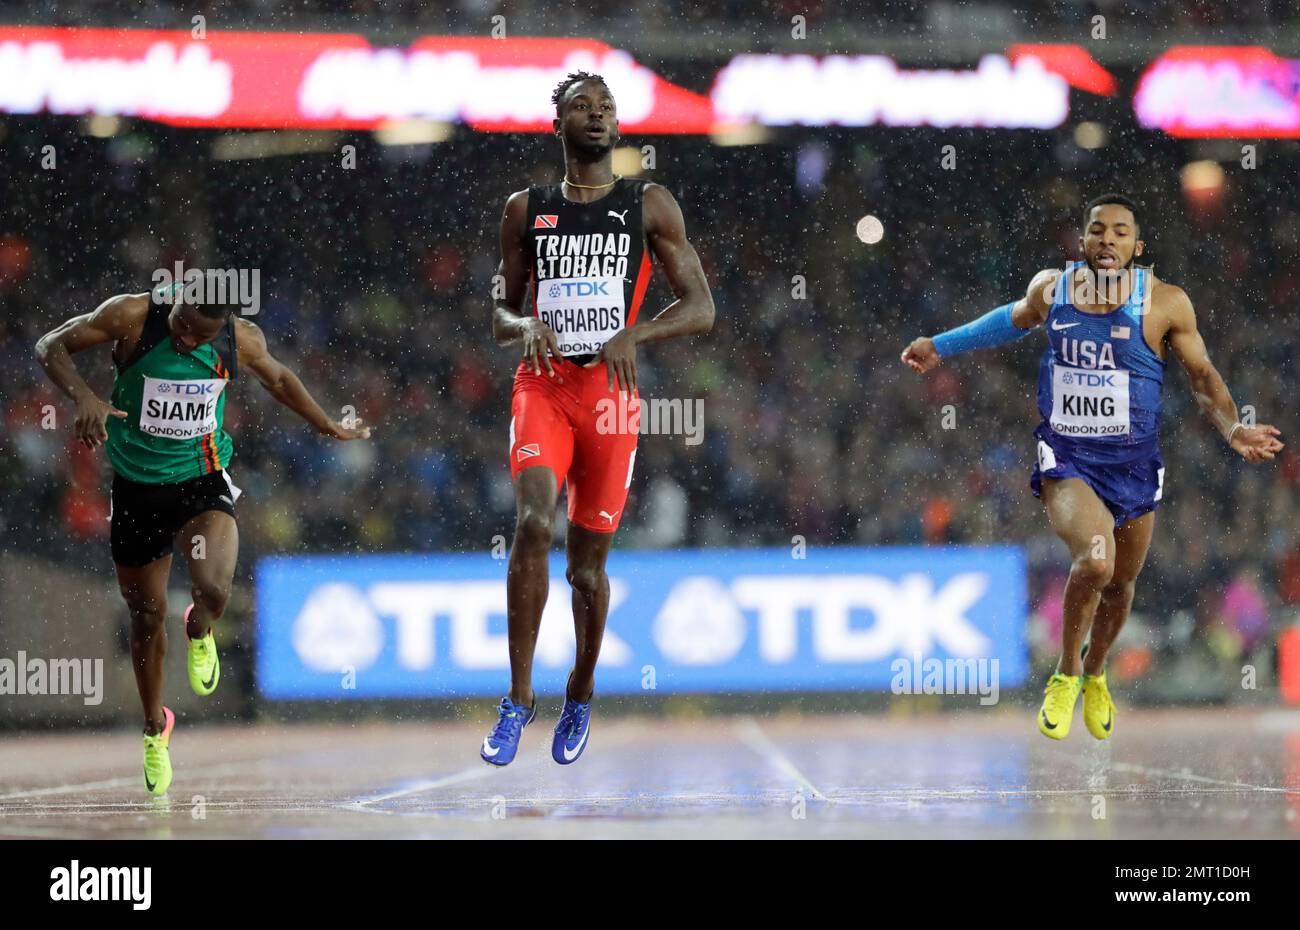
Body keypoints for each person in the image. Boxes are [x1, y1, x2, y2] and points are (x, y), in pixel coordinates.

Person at [901, 193, 1283, 741]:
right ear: (1082, 242)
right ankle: (1066, 672)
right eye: (1097, 230)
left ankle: (1097, 672)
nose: (1108, 240)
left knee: (1122, 584)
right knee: (1096, 562)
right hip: (1069, 456)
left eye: (1120, 232)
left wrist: (1233, 428)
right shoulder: (1052, 289)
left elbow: (1202, 379)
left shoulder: (1166, 304)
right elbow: (1009, 321)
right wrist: (940, 343)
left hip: (1134, 465)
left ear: (1137, 246)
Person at [36, 282, 371, 795]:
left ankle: (200, 628)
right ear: (177, 301)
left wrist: (326, 424)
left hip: (201, 480)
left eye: (203, 337)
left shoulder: (239, 339)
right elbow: (48, 346)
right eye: (184, 327)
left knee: (213, 590)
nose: (190, 342)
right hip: (136, 489)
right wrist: (84, 395)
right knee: (145, 617)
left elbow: (279, 379)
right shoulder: (132, 315)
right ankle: (155, 728)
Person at [483, 71, 714, 766]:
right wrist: (522, 323)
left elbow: (701, 307)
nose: (596, 114)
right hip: (544, 389)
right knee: (531, 521)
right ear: (557, 124)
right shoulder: (527, 209)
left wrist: (633, 335)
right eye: (581, 106)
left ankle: (579, 691)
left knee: (587, 572)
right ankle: (517, 700)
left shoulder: (649, 205)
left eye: (606, 106)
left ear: (618, 125)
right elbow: (498, 314)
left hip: (610, 400)